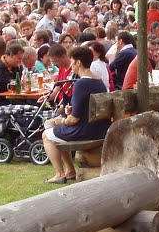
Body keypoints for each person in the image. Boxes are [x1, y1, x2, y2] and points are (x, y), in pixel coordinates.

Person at [41, 45, 110, 184]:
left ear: (79, 62)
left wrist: (63, 121)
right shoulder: (99, 82)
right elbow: (82, 109)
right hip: (99, 128)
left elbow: (73, 120)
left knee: (46, 134)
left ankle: (60, 174)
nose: (71, 66)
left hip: (85, 131)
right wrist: (70, 113)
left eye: (72, 62)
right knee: (54, 127)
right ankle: (70, 171)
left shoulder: (81, 84)